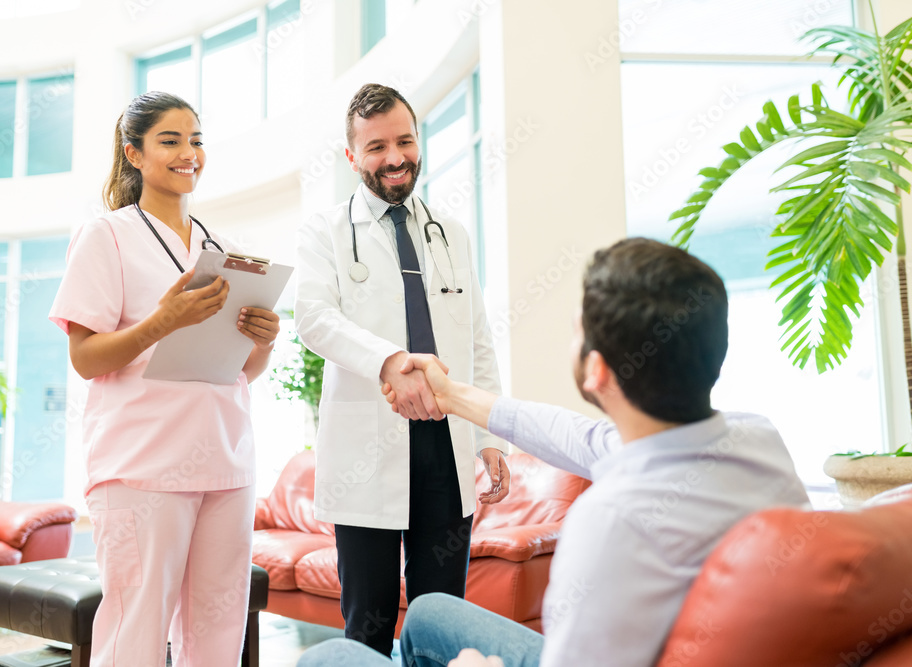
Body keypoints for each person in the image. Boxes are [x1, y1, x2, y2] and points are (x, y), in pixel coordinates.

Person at [298, 237, 810, 667]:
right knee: (431, 611)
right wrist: (451, 396)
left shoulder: (610, 521)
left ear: (597, 371)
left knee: (327, 659)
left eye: (576, 330)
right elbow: (574, 435)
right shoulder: (756, 440)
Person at [49, 91, 279, 667]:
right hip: (142, 465)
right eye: (171, 141)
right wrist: (162, 322)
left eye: (196, 140)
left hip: (225, 461)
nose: (189, 153)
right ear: (134, 153)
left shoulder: (220, 250)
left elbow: (242, 371)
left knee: (218, 628)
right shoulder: (107, 235)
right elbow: (85, 357)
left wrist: (262, 338)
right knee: (138, 629)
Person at [294, 83, 510, 656]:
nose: (395, 158)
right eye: (376, 147)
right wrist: (390, 361)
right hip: (368, 449)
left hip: (446, 442)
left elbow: (477, 337)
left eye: (405, 141)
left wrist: (489, 435)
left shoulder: (451, 231)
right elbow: (312, 318)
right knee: (367, 621)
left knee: (444, 619)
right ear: (351, 157)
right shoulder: (326, 232)